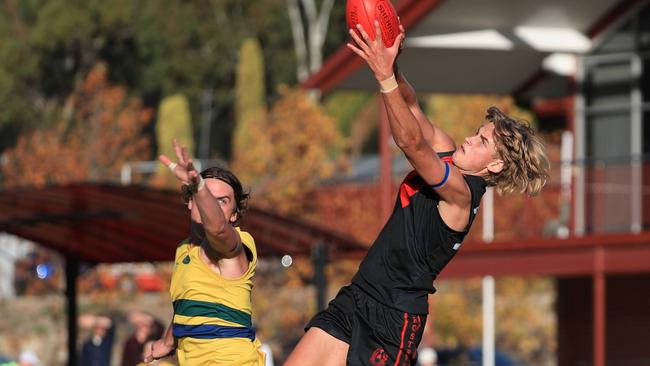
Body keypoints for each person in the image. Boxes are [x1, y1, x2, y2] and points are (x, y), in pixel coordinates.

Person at [285, 20, 549, 366]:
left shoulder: (462, 195)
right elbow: (409, 106)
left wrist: (383, 77)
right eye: (477, 132)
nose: (470, 138)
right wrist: (390, 58)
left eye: (482, 141)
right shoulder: (448, 151)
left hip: (393, 321)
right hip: (358, 296)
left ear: (495, 167)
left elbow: (410, 143)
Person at [144, 139, 265, 365]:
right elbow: (189, 304)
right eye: (206, 195)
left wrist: (199, 185)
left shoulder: (235, 243)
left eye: (222, 201)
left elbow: (217, 228)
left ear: (234, 215)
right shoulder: (183, 249)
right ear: (190, 201)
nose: (211, 203)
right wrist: (168, 342)